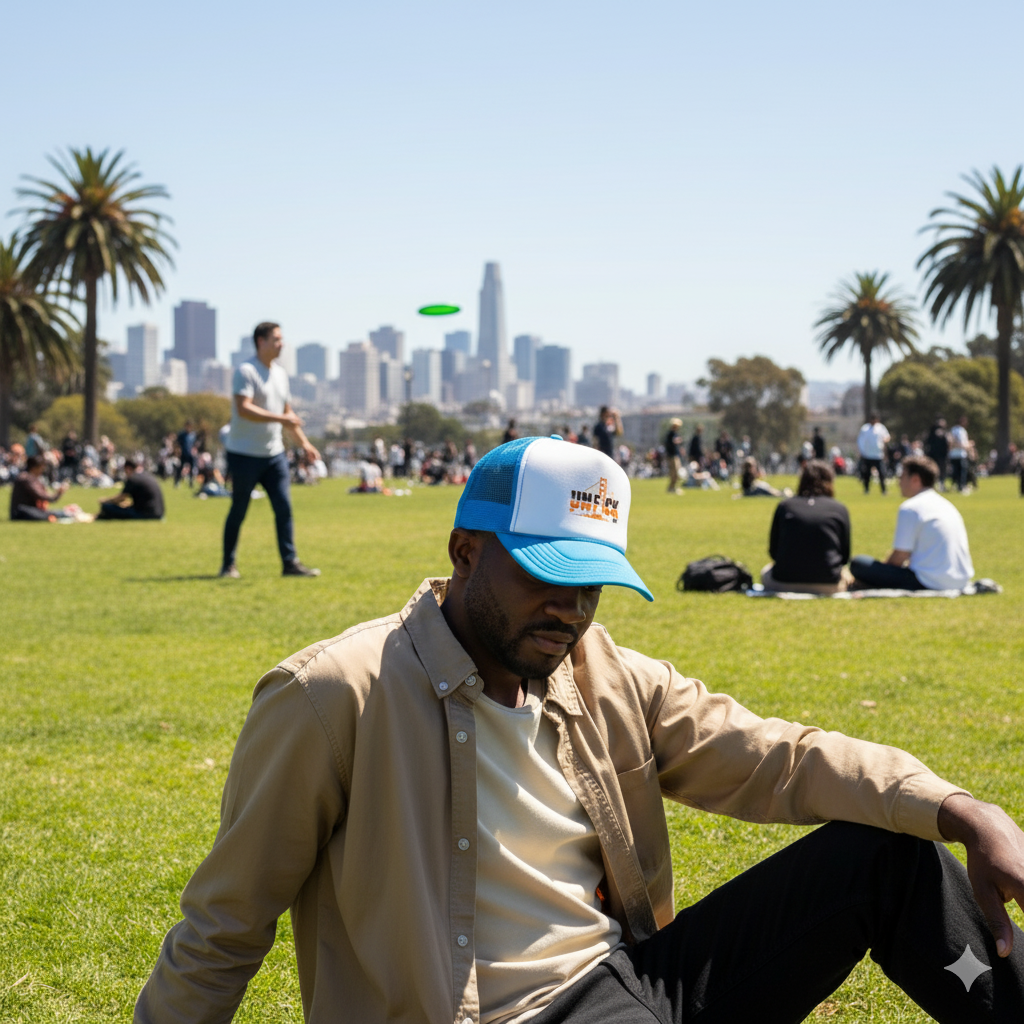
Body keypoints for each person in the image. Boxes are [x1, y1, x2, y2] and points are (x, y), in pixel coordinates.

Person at [135, 436, 1024, 1024]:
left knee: (888, 853)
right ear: (465, 553)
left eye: (591, 582)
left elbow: (774, 759)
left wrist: (958, 806)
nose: (570, 610)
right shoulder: (334, 695)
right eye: (545, 576)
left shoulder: (599, 672)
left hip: (628, 991)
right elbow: (225, 926)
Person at [220, 322, 321, 579]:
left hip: (273, 454)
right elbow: (244, 408)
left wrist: (305, 444)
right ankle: (228, 565)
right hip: (243, 453)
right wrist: (281, 419)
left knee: (284, 507)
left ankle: (290, 563)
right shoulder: (246, 371)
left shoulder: (280, 374)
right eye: (276, 339)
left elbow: (288, 415)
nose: (282, 343)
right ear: (260, 341)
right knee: (239, 509)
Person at [850, 455, 974, 591]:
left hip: (929, 581)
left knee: (859, 563)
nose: (899, 482)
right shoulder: (947, 506)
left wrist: (882, 571)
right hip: (960, 579)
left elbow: (899, 558)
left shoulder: (910, 507)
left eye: (902, 477)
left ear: (915, 479)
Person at [761, 460, 851, 594]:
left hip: (784, 582)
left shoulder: (785, 506)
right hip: (828, 583)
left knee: (765, 572)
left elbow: (774, 551)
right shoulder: (839, 508)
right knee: (847, 575)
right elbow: (844, 556)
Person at [96, 458, 165, 520]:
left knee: (106, 507)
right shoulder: (147, 476)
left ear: (128, 468)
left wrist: (106, 501)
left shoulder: (133, 478)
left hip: (145, 514)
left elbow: (121, 498)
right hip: (159, 514)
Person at [9, 454, 70, 520]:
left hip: (30, 509)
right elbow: (42, 496)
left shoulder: (31, 478)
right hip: (21, 511)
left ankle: (68, 513)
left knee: (52, 514)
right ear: (34, 468)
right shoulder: (25, 478)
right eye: (41, 467)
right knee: (49, 515)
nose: (42, 470)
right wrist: (58, 493)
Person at [857, 412, 890, 495]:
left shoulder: (881, 428)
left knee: (881, 473)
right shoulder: (865, 428)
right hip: (867, 455)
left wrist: (885, 440)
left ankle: (883, 490)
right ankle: (866, 489)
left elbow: (887, 437)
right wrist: (862, 451)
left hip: (878, 455)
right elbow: (860, 441)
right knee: (867, 474)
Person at [925, 417, 950, 490]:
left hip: (941, 455)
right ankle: (936, 484)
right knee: (936, 470)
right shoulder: (933, 431)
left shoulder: (944, 432)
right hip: (935, 455)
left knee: (941, 470)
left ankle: (940, 484)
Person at [948, 416, 971, 493]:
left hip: (953, 454)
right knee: (962, 472)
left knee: (956, 472)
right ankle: (962, 487)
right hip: (960, 454)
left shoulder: (952, 429)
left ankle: (957, 486)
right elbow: (961, 443)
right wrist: (969, 446)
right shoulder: (961, 430)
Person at [664, 418, 683, 493]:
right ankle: (672, 487)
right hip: (672, 456)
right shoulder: (670, 434)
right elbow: (669, 444)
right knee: (674, 472)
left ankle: (673, 487)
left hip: (675, 455)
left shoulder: (675, 434)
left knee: (678, 472)